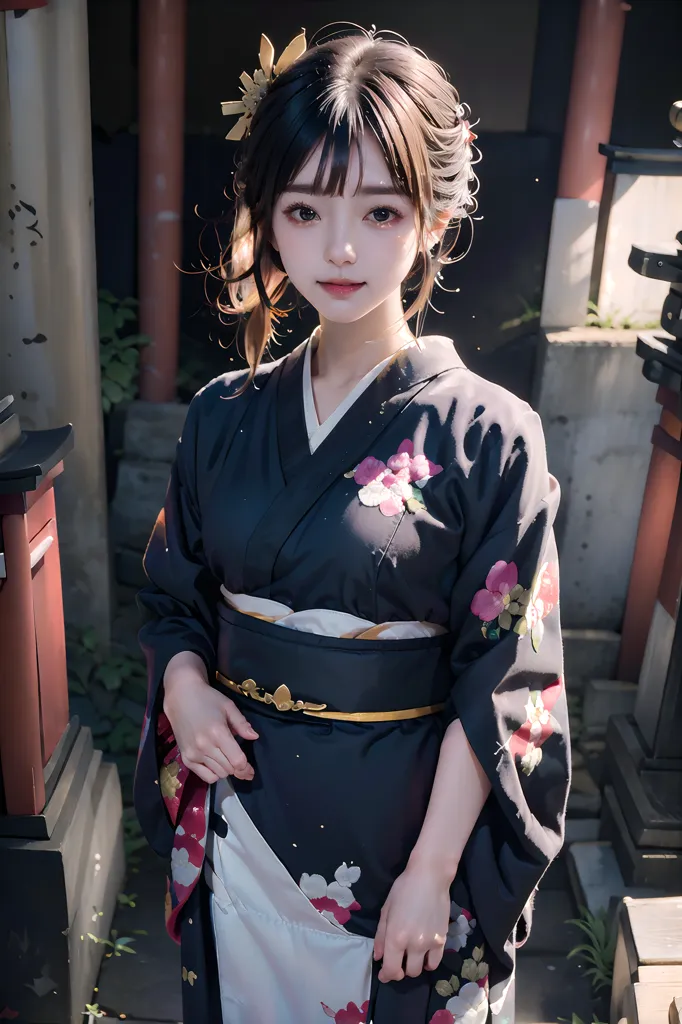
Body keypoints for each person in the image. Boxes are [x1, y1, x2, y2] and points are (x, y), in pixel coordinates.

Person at [134, 24, 570, 1024]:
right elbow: (174, 600)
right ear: (269, 220)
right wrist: (190, 691)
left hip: (402, 843)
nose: (339, 248)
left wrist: (431, 871)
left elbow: (505, 680)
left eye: (379, 209)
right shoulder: (221, 415)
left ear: (432, 218)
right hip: (242, 815)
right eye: (305, 209)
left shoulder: (490, 435)